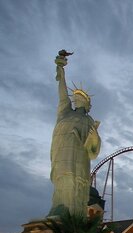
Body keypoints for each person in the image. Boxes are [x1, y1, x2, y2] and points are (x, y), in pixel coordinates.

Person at [48, 50, 101, 217]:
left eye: (82, 97)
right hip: (61, 153)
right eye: (76, 96)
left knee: (74, 182)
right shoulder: (65, 112)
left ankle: (72, 213)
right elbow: (62, 92)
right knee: (61, 180)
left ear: (87, 104)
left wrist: (94, 138)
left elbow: (92, 152)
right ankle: (59, 210)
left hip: (78, 159)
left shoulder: (88, 120)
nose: (77, 98)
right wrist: (61, 70)